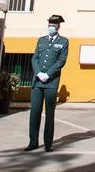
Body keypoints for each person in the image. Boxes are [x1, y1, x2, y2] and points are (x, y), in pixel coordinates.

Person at [26, 14, 68, 151]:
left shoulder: (63, 41)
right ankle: (33, 142)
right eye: (50, 25)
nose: (51, 27)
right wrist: (38, 73)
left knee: (50, 114)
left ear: (58, 26)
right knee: (35, 112)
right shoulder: (41, 40)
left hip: (51, 82)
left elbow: (61, 60)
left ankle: (48, 143)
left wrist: (48, 74)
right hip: (38, 82)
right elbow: (35, 58)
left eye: (54, 25)